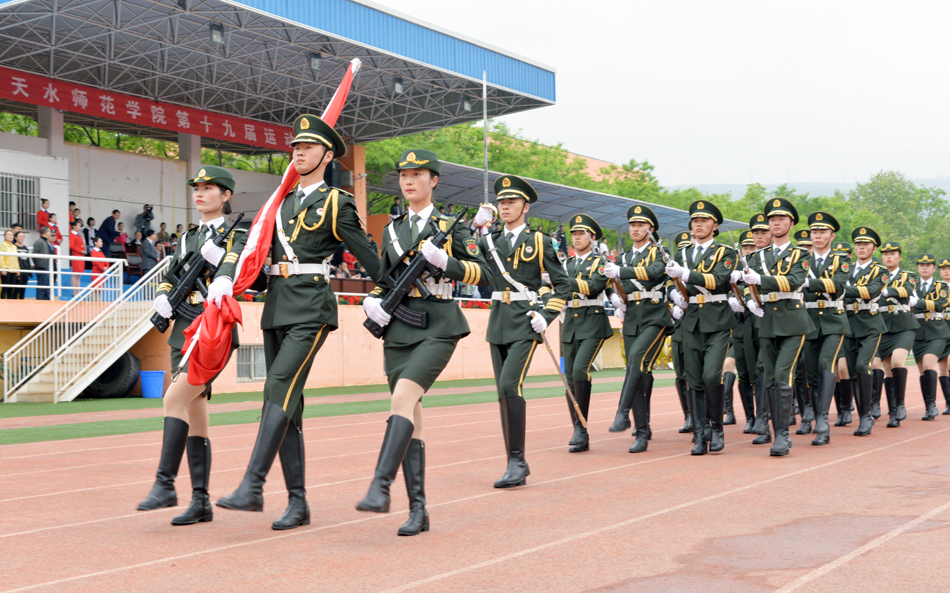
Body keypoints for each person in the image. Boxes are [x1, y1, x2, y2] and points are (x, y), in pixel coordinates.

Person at [216, 114, 381, 531]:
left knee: (276, 386)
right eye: (295, 147)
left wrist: (391, 288)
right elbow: (253, 246)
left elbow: (370, 257)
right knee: (290, 405)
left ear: (327, 155)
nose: (299, 152)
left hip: (311, 307)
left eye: (307, 147)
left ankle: (253, 485)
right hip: (277, 306)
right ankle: (298, 503)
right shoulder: (281, 203)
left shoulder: (336, 203)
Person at [357, 148, 489, 535]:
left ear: (434, 180)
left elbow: (483, 274)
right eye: (403, 175)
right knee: (411, 415)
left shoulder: (452, 226)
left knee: (401, 398)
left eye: (418, 174)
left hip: (439, 325)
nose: (409, 181)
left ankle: (380, 487)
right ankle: (419, 510)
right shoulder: (392, 228)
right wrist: (372, 297)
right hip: (398, 328)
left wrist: (448, 262)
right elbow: (386, 277)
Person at [138, 166, 249, 526]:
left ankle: (165, 483)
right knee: (196, 413)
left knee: (173, 399)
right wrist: (163, 296)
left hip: (212, 328)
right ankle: (201, 501)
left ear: (226, 195)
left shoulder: (238, 234)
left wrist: (223, 268)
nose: (199, 193)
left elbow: (243, 269)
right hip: (182, 329)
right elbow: (172, 275)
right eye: (196, 188)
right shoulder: (188, 237)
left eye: (208, 188)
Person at [473, 175, 569, 486]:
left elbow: (563, 284)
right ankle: (514, 462)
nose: (505, 206)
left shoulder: (539, 241)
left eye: (511, 202)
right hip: (499, 320)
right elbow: (469, 264)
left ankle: (517, 460)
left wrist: (547, 315)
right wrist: (473, 228)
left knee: (509, 383)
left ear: (525, 206)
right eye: (501, 202)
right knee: (503, 391)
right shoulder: (490, 241)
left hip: (526, 321)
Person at [740, 198, 813, 456]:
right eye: (772, 220)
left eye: (781, 219)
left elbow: (794, 281)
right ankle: (773, 429)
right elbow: (745, 285)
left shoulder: (801, 253)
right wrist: (750, 301)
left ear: (791, 223)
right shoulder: (758, 255)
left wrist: (761, 279)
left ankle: (783, 435)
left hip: (793, 320)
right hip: (767, 319)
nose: (776, 223)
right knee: (769, 377)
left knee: (783, 374)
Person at [665, 200, 736, 455]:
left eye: (704, 220)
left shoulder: (725, 253)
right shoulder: (682, 253)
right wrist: (674, 293)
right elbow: (670, 281)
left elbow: (718, 280)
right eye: (695, 220)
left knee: (709, 376)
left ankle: (716, 428)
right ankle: (700, 432)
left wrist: (684, 276)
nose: (698, 224)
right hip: (691, 320)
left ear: (714, 226)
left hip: (717, 319)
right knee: (693, 380)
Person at [604, 205, 671, 453]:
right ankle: (642, 431)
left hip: (655, 316)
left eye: (641, 225)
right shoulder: (623, 257)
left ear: (650, 229)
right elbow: (608, 280)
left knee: (635, 359)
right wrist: (613, 295)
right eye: (632, 225)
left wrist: (621, 271)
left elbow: (653, 274)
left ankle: (622, 413)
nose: (635, 229)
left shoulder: (659, 253)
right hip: (632, 318)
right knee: (639, 375)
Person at [558, 214, 613, 453]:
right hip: (570, 323)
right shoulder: (567, 265)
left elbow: (593, 287)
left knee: (581, 370)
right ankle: (578, 429)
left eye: (581, 233)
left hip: (593, 322)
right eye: (574, 234)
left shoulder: (600, 262)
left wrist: (561, 282)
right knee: (569, 378)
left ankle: (581, 427)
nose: (577, 237)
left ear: (592, 237)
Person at [800, 212, 850, 445]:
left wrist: (808, 282)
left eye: (822, 232)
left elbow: (838, 285)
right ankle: (818, 418)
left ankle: (822, 419)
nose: (817, 235)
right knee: (810, 373)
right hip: (809, 319)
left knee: (825, 363)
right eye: (814, 232)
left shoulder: (841, 260)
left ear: (832, 235)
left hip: (833, 319)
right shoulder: (801, 260)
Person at [842, 227, 887, 437]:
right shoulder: (844, 268)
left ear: (874, 247)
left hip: (870, 324)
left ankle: (866, 414)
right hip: (848, 323)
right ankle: (863, 414)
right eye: (858, 244)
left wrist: (839, 288)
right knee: (852, 371)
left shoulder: (880, 271)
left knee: (862, 365)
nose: (861, 247)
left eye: (866, 244)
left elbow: (870, 292)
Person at [875, 241, 918, 428]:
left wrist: (885, 292)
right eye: (885, 254)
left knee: (897, 361)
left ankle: (900, 404)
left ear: (899, 257)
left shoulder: (908, 275)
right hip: (883, 325)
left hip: (903, 325)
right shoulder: (875, 275)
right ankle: (892, 411)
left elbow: (906, 291)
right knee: (886, 369)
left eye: (892, 254)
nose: (888, 257)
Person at [724, 229, 757, 433]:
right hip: (739, 326)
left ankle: (763, 414)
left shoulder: (760, 266)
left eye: (751, 247)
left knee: (757, 373)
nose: (747, 250)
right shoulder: (735, 270)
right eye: (745, 247)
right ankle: (749, 417)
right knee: (743, 373)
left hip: (759, 323)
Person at [911, 253, 949, 421]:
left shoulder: (941, 286)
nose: (924, 268)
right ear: (918, 268)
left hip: (937, 331)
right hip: (918, 331)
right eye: (921, 265)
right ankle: (928, 406)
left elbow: (940, 304)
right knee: (921, 370)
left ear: (934, 268)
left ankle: (933, 405)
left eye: (928, 265)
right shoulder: (912, 287)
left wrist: (918, 303)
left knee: (928, 364)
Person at [667, 231, 694, 433]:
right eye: (681, 247)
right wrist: (673, 297)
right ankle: (688, 415)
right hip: (679, 329)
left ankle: (700, 415)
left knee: (696, 375)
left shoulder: (696, 266)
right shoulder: (673, 269)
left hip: (697, 325)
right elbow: (666, 287)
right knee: (680, 375)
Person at [938, 257, 950, 415]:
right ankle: (948, 401)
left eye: (948, 268)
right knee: (942, 368)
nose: (946, 271)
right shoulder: (936, 288)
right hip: (941, 328)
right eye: (943, 269)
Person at [32, 227, 54, 300]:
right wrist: (39, 264)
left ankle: (46, 303)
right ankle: (39, 303)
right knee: (41, 288)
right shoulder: (39, 242)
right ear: (46, 232)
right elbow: (34, 255)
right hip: (42, 268)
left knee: (46, 288)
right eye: (50, 231)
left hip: (46, 267)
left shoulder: (44, 242)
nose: (50, 233)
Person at [69, 219, 86, 295]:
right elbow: (72, 246)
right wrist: (81, 251)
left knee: (79, 275)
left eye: (80, 225)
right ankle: (74, 292)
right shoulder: (72, 235)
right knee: (75, 274)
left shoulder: (78, 235)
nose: (79, 227)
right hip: (76, 256)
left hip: (80, 256)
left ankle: (78, 292)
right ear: (74, 226)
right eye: (78, 225)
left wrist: (84, 250)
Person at [1, 229, 19, 299]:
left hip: (14, 270)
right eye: (8, 235)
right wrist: (3, 269)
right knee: (5, 288)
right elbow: (1, 258)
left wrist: (18, 269)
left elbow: (16, 258)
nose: (10, 236)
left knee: (11, 289)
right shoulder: (2, 246)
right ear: (4, 236)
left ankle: (10, 303)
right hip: (6, 270)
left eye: (11, 235)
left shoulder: (14, 247)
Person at [13, 231, 30, 299]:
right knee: (16, 290)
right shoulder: (14, 247)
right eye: (20, 236)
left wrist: (29, 271)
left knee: (23, 289)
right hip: (18, 271)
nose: (22, 238)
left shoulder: (25, 248)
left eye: (23, 236)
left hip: (25, 271)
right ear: (16, 237)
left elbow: (27, 259)